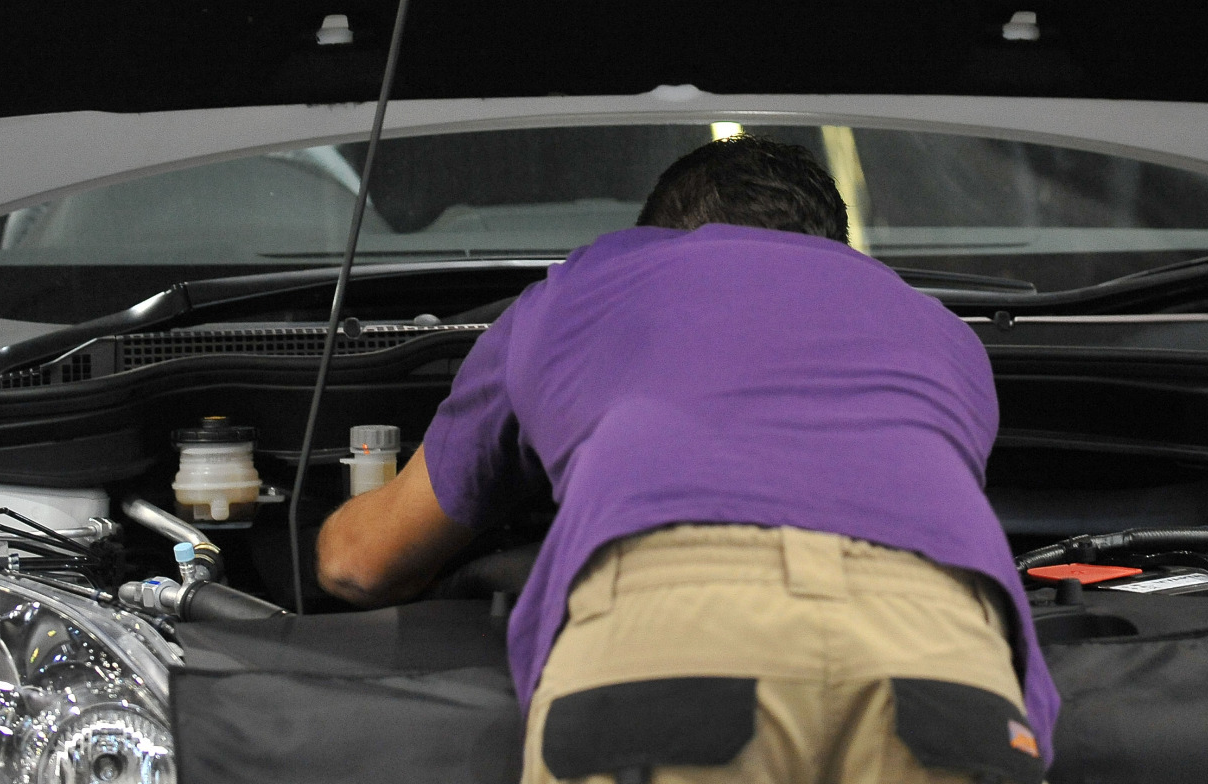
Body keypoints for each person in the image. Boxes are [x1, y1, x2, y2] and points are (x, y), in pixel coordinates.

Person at [317, 134, 1059, 783]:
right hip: (945, 647)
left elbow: (362, 563)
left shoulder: (588, 285)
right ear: (836, 252)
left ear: (656, 237)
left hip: (678, 632)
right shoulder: (944, 334)